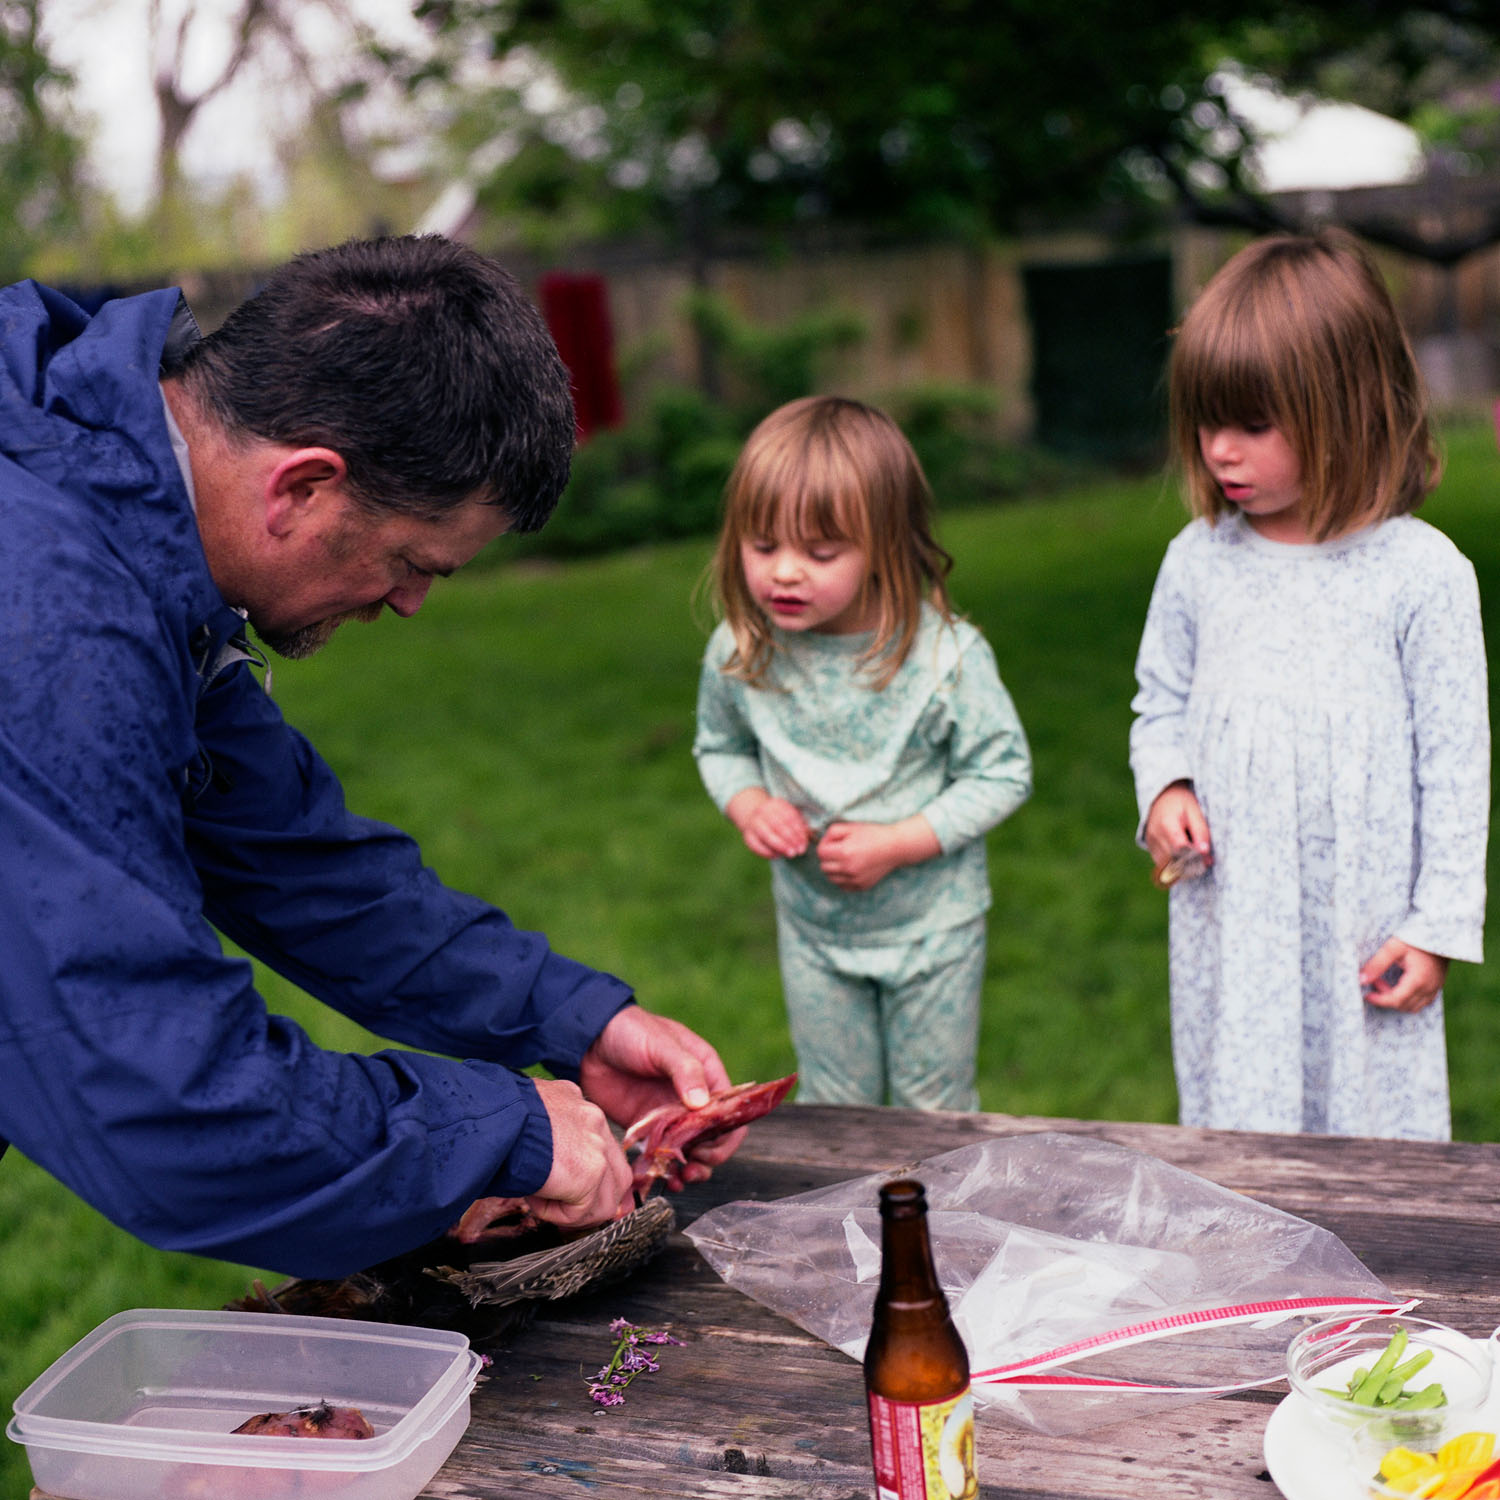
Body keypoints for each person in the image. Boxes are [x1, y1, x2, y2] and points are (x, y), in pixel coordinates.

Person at [0, 234, 744, 1279]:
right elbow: (162, 1092)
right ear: (302, 484)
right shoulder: (46, 617)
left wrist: (568, 1019)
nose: (408, 602)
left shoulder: (123, 520)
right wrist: (507, 1132)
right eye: (408, 561)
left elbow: (293, 857)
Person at [1129, 228, 1489, 1140]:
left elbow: (1456, 764)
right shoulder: (1198, 562)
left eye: (1254, 425)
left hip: (1362, 928)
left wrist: (1437, 925)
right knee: (1243, 1140)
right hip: (1235, 920)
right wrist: (1165, 783)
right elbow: (1158, 699)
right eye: (1207, 422)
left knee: (1368, 1140)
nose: (1220, 451)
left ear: (1346, 408)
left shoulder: (1422, 575)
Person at [693, 396, 1032, 1110]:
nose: (785, 573)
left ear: (884, 544)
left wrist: (898, 843)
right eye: (763, 546)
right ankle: (846, 1227)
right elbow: (720, 746)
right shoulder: (740, 650)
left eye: (819, 553)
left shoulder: (945, 658)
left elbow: (1003, 771)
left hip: (930, 932)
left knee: (931, 1110)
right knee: (834, 1108)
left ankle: (934, 1226)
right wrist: (748, 803)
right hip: (814, 930)